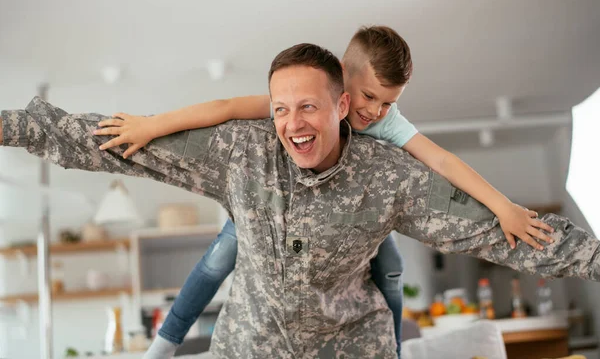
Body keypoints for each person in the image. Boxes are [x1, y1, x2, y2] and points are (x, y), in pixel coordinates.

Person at [2, 43, 599, 359]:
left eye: (308, 106)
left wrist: (592, 259)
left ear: (343, 106)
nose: (292, 122)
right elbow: (110, 139)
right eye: (280, 108)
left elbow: (495, 231)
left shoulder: (390, 174)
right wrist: (11, 126)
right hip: (247, 349)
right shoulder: (242, 150)